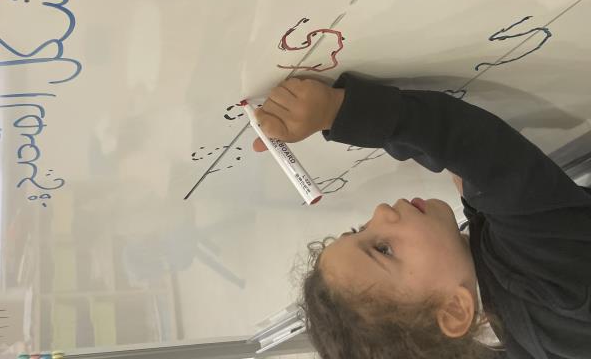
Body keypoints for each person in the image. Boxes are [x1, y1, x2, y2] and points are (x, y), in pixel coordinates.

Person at [252, 72, 591, 359]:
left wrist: (475, 199)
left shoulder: (504, 318)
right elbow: (477, 147)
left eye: (360, 229)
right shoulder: (548, 288)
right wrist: (335, 111)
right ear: (455, 310)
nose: (381, 212)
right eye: (383, 249)